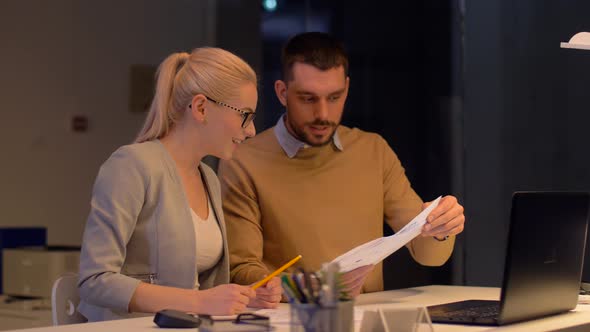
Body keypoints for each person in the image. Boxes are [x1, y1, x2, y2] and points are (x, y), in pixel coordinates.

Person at [218, 32, 466, 298]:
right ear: (282, 92)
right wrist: (317, 289)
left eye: (334, 97)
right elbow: (241, 271)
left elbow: (428, 254)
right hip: (291, 320)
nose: (323, 114)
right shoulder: (244, 160)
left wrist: (440, 228)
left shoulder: (373, 151)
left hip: (365, 318)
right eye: (308, 99)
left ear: (347, 89)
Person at [78, 47, 282, 321]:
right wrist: (200, 302)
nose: (251, 130)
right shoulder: (131, 165)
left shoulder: (208, 177)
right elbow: (95, 280)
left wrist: (247, 295)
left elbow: (201, 288)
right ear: (200, 108)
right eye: (245, 115)